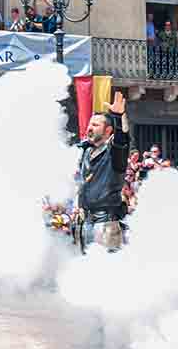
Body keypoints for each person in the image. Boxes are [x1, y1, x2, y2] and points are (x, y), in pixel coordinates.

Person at [76, 92, 130, 250]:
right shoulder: (85, 152)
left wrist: (118, 116)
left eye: (95, 125)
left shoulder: (114, 153)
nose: (90, 128)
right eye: (90, 124)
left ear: (108, 131)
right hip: (85, 222)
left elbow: (122, 139)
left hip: (105, 224)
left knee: (106, 270)